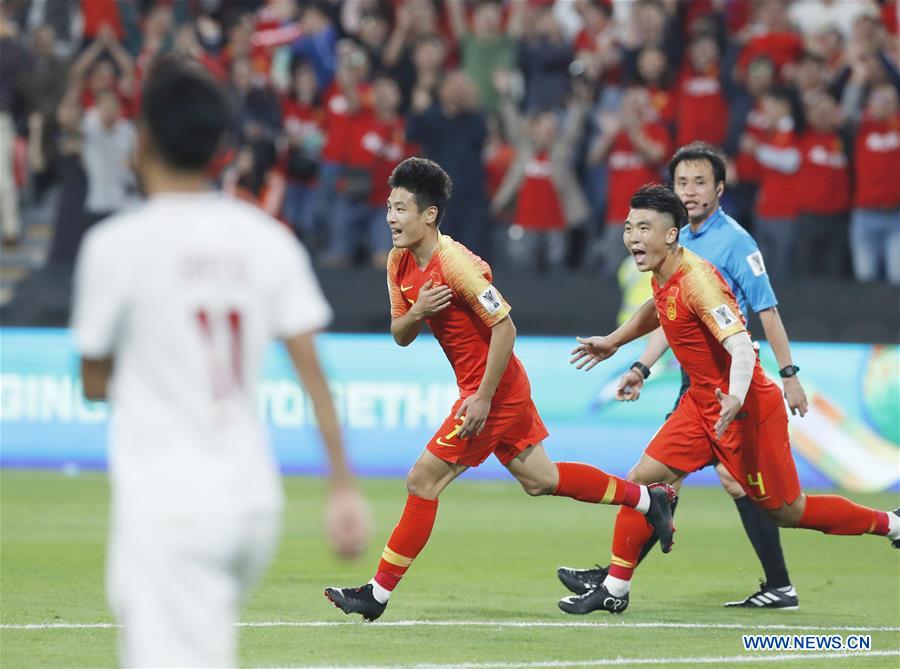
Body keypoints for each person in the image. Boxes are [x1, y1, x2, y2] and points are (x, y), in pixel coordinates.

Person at [71, 56, 370, 667]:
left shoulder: (114, 246)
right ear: (221, 147)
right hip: (250, 500)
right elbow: (314, 374)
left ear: (143, 138)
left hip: (170, 503)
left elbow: (94, 382)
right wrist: (342, 485)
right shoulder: (265, 239)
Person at [323, 157, 676, 622]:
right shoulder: (398, 261)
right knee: (541, 480)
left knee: (422, 481)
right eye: (389, 208)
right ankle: (649, 499)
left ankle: (377, 594)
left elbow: (505, 328)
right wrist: (418, 311)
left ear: (429, 215)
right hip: (490, 388)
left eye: (401, 209)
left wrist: (483, 397)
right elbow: (399, 333)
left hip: (495, 390)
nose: (391, 218)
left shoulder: (457, 264)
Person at [558, 184, 900, 615]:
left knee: (788, 511)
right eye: (629, 228)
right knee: (642, 478)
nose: (633, 237)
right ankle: (615, 589)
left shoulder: (701, 281)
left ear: (670, 234)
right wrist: (615, 342)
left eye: (644, 228)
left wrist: (736, 396)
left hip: (747, 410)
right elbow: (658, 308)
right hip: (701, 405)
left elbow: (740, 345)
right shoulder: (663, 272)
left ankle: (891, 523)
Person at [558, 141, 811, 610]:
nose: (690, 191)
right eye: (682, 183)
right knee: (660, 488)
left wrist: (790, 373)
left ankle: (618, 578)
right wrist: (641, 365)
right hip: (693, 379)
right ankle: (616, 578)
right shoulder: (672, 238)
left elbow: (766, 312)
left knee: (680, 487)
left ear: (719, 188)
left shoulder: (736, 243)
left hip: (727, 381)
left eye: (700, 182)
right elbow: (665, 316)